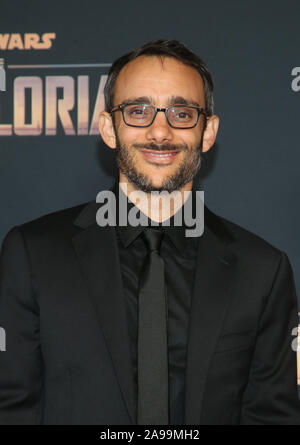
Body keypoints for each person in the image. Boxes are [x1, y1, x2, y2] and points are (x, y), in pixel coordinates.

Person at [0, 39, 299, 425]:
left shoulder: (262, 270)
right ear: (109, 127)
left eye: (182, 112)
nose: (160, 132)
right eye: (138, 111)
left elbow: (273, 416)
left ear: (208, 132)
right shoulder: (33, 255)